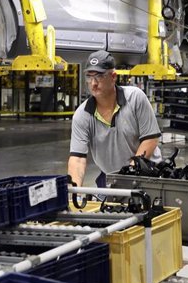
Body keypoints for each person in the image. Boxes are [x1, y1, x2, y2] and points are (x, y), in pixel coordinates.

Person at [68, 50, 162, 187]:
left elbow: (150, 139)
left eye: (99, 77)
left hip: (149, 173)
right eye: (89, 77)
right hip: (112, 179)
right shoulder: (82, 115)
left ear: (113, 77)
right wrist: (74, 192)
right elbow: (77, 159)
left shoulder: (135, 98)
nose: (93, 83)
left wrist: (129, 174)